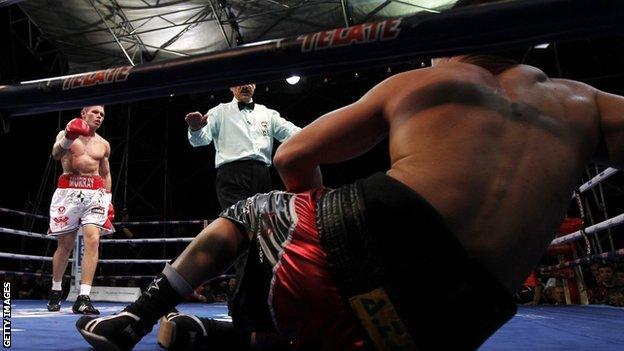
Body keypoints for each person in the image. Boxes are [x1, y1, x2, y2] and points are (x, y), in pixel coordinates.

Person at [76, 3, 624, 350]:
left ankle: (136, 316)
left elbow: (291, 154)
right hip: (462, 318)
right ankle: (236, 330)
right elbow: (203, 140)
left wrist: (315, 224)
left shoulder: (421, 84)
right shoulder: (590, 104)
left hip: (370, 245)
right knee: (329, 286)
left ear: (449, 45)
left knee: (255, 218)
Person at [185, 83, 301, 210]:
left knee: (262, 223)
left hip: (262, 174)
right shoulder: (219, 111)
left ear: (255, 85)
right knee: (238, 221)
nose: (245, 86)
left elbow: (293, 133)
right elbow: (200, 140)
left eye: (249, 82)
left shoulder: (267, 113)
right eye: (240, 82)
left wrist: (318, 131)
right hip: (232, 175)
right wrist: (195, 129)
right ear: (231, 86)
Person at [48, 105, 114, 315]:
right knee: (64, 246)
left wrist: (108, 199)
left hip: (94, 193)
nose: (99, 117)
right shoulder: (66, 132)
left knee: (93, 239)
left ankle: (83, 297)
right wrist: (69, 136)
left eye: (102, 115)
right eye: (95, 112)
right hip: (68, 190)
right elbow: (56, 154)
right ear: (84, 113)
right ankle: (56, 289)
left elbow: (105, 173)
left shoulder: (103, 144)